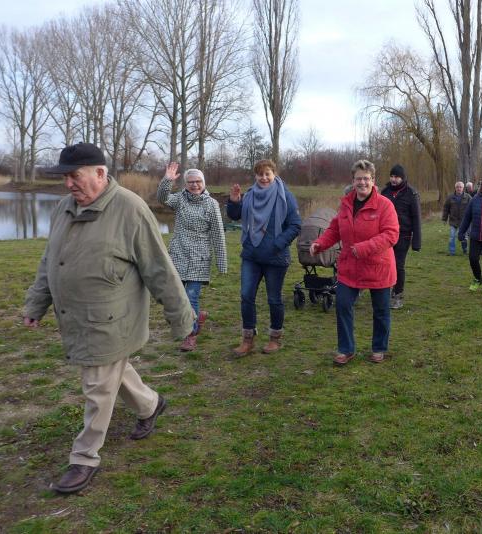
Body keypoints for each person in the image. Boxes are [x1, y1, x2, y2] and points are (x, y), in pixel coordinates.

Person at [23, 142, 195, 494]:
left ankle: (84, 457)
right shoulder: (63, 208)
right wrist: (36, 303)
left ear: (100, 173)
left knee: (98, 387)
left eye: (75, 176)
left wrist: (181, 318)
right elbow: (50, 260)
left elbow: (159, 269)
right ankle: (150, 405)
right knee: (113, 372)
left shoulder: (130, 209)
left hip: (112, 320)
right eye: (65, 177)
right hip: (77, 317)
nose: (68, 184)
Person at [310, 160, 399, 365]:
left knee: (381, 310)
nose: (362, 183)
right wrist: (320, 243)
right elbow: (334, 229)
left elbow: (391, 234)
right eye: (359, 179)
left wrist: (365, 247)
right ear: (353, 180)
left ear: (373, 180)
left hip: (379, 267)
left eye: (366, 178)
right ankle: (346, 349)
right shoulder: (346, 204)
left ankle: (379, 348)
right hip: (350, 266)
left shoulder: (385, 205)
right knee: (342, 305)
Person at [226, 159, 301, 355]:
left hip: (276, 257)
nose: (264, 178)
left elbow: (295, 225)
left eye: (268, 173)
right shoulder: (250, 194)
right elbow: (235, 216)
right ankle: (248, 339)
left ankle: (275, 338)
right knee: (246, 296)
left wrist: (277, 244)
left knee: (274, 299)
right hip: (251, 255)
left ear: (274, 174)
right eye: (260, 174)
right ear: (256, 175)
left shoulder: (286, 196)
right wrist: (234, 201)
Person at [157, 163, 227, 352]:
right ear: (186, 184)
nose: (195, 185)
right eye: (190, 182)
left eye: (198, 181)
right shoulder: (180, 199)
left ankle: (191, 335)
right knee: (176, 297)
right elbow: (162, 198)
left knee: (191, 296)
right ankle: (197, 318)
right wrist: (167, 181)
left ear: (203, 183)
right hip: (179, 254)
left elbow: (218, 234)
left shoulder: (211, 204)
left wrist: (222, 263)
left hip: (199, 258)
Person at [380, 164, 422, 309]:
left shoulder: (412, 194)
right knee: (384, 264)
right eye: (391, 176)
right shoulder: (385, 192)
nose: (393, 179)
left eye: (396, 177)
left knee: (398, 266)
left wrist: (416, 242)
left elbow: (416, 218)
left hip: (403, 235)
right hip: (385, 235)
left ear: (403, 178)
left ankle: (398, 295)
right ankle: (384, 291)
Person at [441, 181, 471, 255]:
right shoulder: (450, 197)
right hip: (453, 221)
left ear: (463, 188)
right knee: (452, 237)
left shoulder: (468, 197)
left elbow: (472, 207)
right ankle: (452, 252)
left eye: (460, 187)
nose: (459, 188)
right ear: (455, 188)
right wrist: (444, 219)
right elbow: (446, 208)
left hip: (464, 221)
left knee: (464, 237)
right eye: (457, 187)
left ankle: (465, 250)